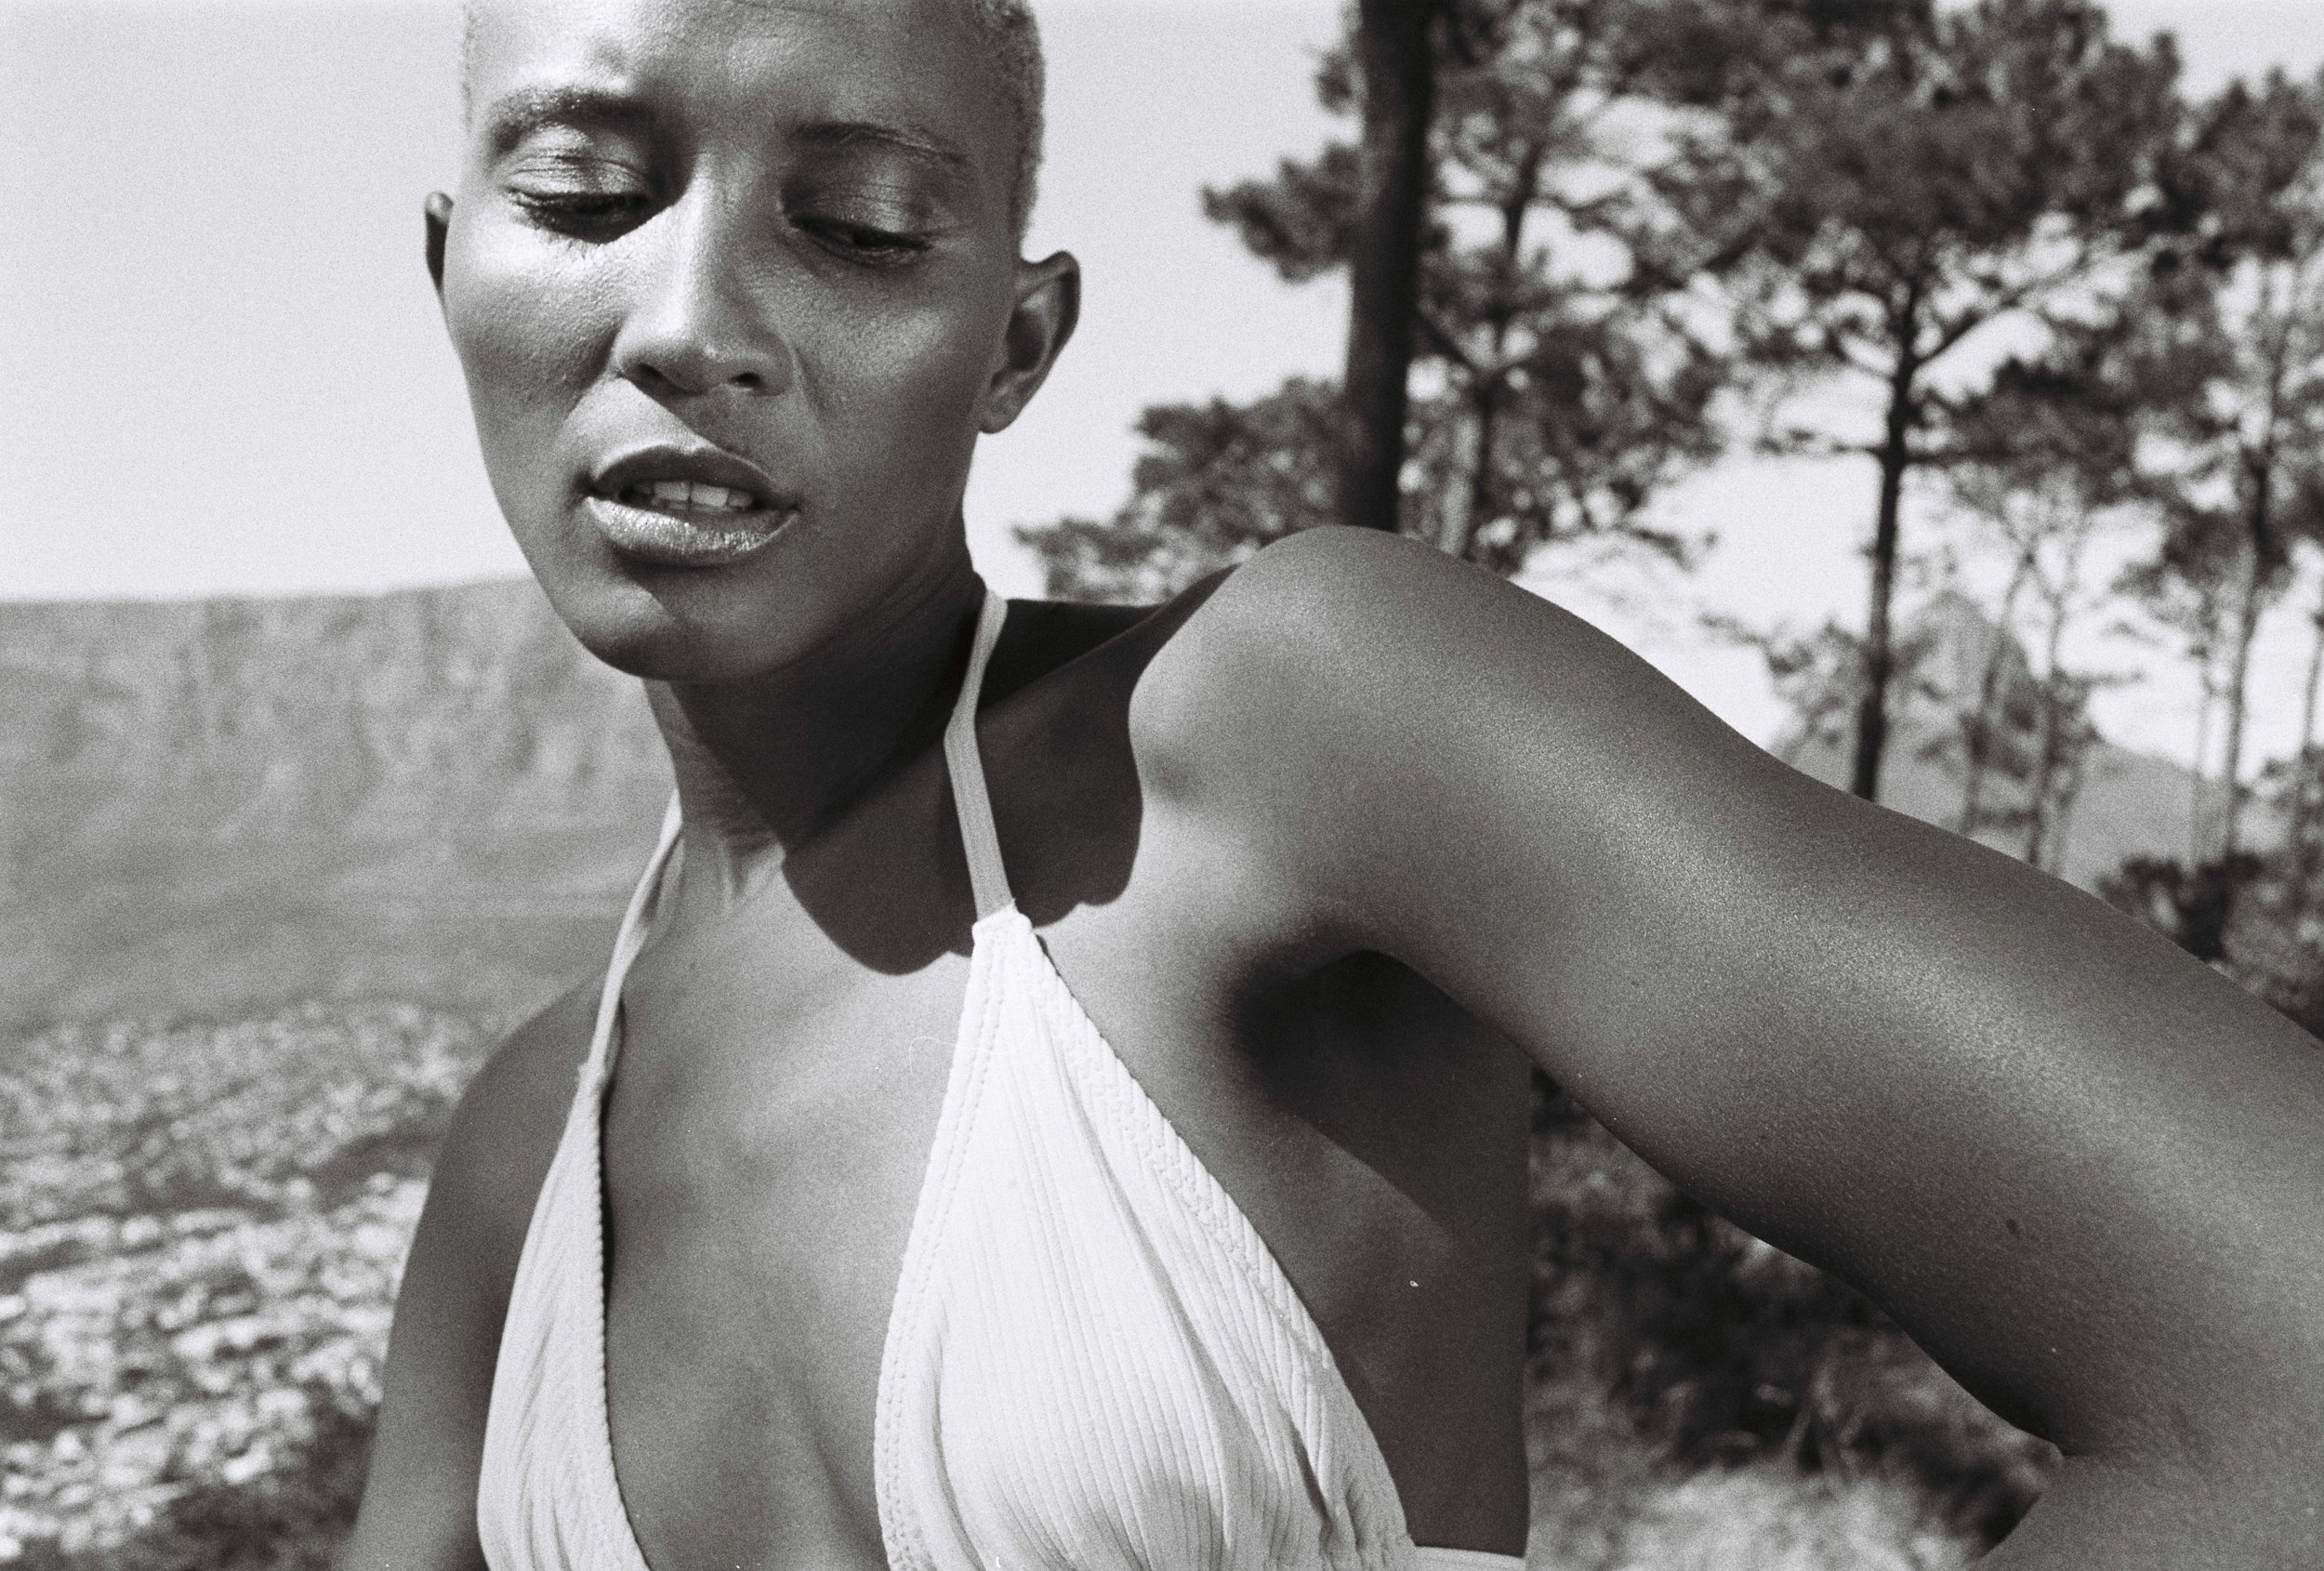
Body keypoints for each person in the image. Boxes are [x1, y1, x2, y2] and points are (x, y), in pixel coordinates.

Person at [340, 0, 2324, 1566]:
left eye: (857, 227)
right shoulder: (523, 1152)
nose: (689, 324)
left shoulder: (1274, 739)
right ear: (449, 269)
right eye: (587, 190)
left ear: (1013, 343)